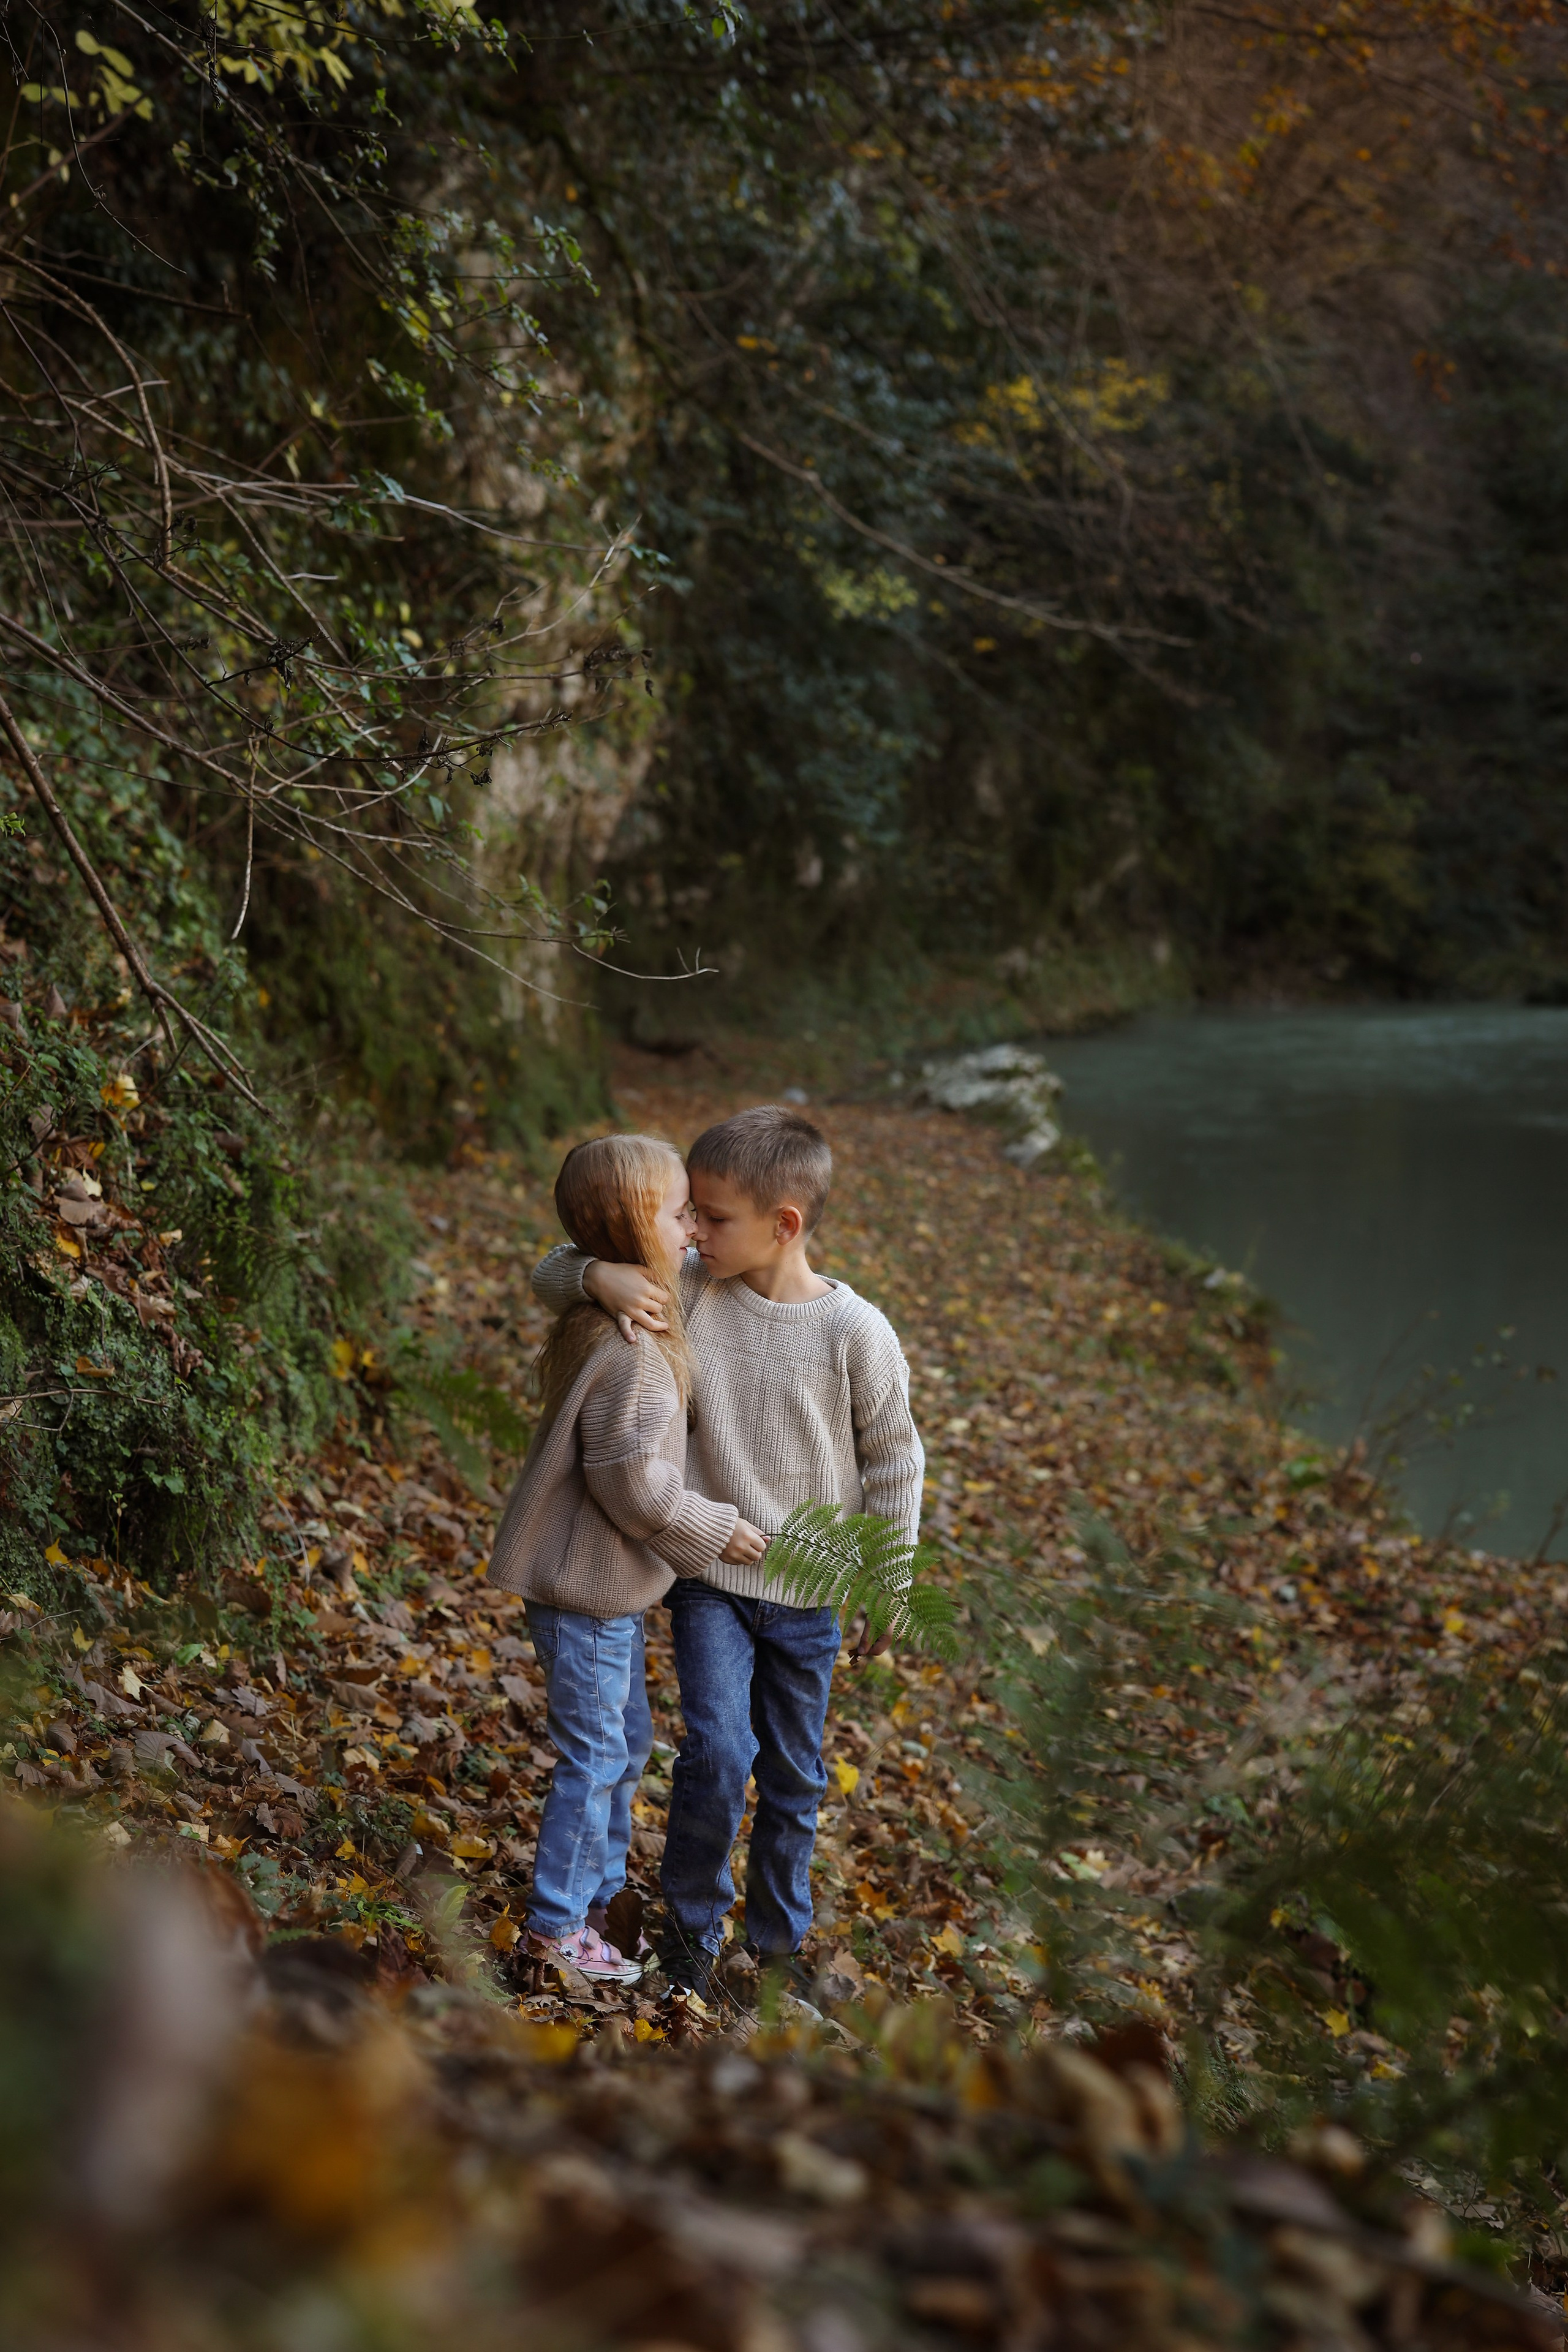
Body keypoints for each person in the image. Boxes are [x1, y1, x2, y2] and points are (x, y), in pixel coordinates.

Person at [532, 1103, 924, 1999]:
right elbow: (550, 1273)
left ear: (783, 1225)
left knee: (794, 1773)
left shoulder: (854, 1332)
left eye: (713, 1218)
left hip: (810, 1594)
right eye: (692, 1216)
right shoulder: (693, 1293)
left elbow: (896, 1459)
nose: (695, 1234)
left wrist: (889, 1580)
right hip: (709, 1578)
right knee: (716, 1752)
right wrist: (600, 1277)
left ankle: (779, 1943)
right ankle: (691, 1933)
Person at [488, 1133, 767, 1985]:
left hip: (597, 1589)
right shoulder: (636, 1344)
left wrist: (594, 1272)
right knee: (599, 1755)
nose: (692, 1228)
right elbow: (637, 1491)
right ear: (631, 1230)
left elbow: (559, 1264)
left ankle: (601, 1895)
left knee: (624, 1740)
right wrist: (716, 1530)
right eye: (679, 1213)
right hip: (587, 1590)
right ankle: (556, 1926)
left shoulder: (632, 1297)